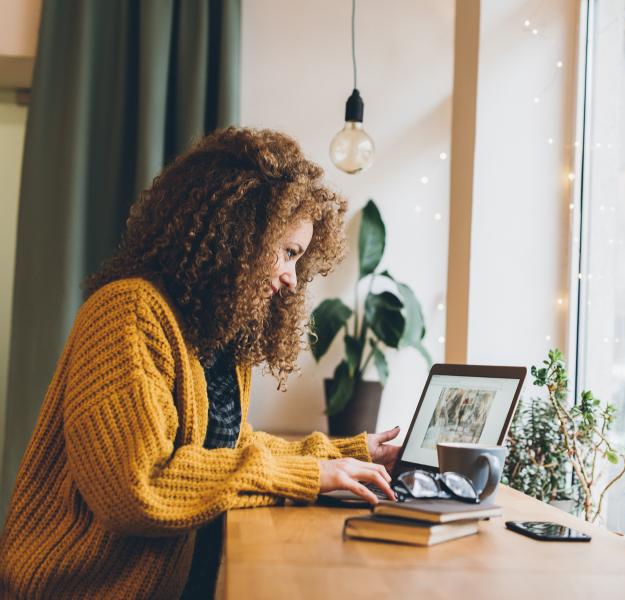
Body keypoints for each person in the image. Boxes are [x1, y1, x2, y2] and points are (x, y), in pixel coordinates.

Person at [0, 128, 401, 599]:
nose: (292, 279)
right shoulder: (127, 312)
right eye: (288, 252)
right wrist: (309, 476)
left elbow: (224, 448)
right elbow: (138, 489)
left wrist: (349, 453)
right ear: (237, 234)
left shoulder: (213, 331)